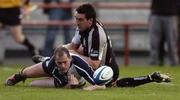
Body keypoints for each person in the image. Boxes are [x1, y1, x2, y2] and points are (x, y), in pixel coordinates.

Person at [31, 4, 172, 90]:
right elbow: (73, 46)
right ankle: (49, 60)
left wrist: (71, 53)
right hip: (90, 60)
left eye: (80, 19)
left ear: (89, 20)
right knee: (67, 52)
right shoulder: (82, 27)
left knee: (109, 84)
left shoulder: (97, 35)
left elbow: (94, 63)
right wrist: (60, 50)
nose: (77, 22)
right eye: (76, 18)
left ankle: (151, 77)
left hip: (103, 68)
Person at [5, 46, 171, 90]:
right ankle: (41, 60)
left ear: (70, 59)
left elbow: (108, 84)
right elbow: (56, 66)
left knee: (34, 86)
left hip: (63, 83)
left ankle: (45, 59)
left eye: (65, 62)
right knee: (27, 75)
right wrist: (51, 64)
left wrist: (149, 78)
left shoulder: (80, 65)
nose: (62, 65)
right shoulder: (53, 65)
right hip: (52, 71)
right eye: (59, 62)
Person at [149, 0, 178, 66]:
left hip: (171, 14)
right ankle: (153, 62)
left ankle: (174, 62)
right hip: (156, 13)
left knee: (171, 42)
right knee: (154, 41)